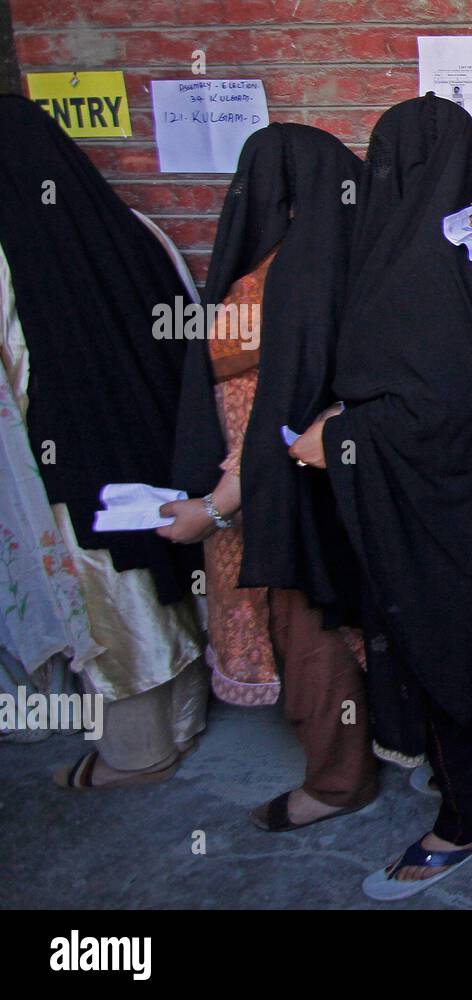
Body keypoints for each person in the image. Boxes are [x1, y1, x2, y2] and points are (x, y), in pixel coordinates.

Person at [290, 94, 472, 899]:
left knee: (442, 647)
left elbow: (437, 409)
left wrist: (345, 437)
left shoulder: (409, 263)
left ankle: (467, 817)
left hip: (436, 508)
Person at [165, 123, 379, 831]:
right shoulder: (349, 250)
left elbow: (275, 408)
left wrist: (219, 505)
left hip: (280, 485)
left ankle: (337, 780)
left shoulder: (293, 276)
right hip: (308, 476)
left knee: (310, 632)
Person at [0, 95, 205, 785]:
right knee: (165, 581)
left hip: (70, 464)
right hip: (158, 444)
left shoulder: (10, 261)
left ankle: (137, 753)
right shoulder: (131, 229)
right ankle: (185, 719)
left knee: (115, 605)